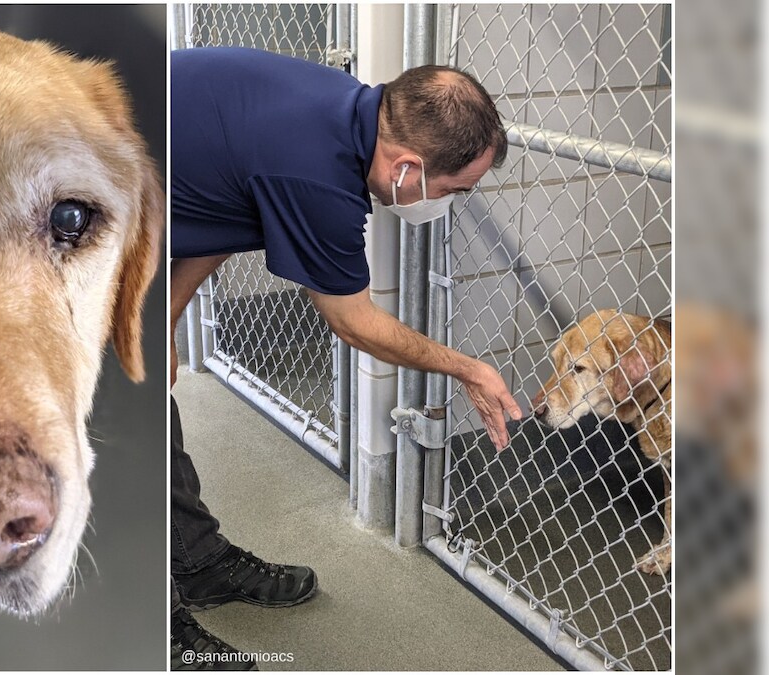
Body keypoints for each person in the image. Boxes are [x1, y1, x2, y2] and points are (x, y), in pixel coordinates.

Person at [168, 47, 524, 670]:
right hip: (31, 206)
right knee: (103, 421)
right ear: (408, 167)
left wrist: (163, 316)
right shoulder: (317, 176)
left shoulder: (343, 106)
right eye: (454, 189)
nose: (451, 202)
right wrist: (468, 367)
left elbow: (214, 205)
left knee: (138, 400)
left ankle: (193, 562)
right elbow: (352, 322)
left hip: (112, 177)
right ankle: (156, 625)